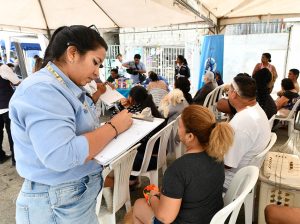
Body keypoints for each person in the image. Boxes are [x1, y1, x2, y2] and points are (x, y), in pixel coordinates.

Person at [9, 25, 132, 224]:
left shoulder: (64, 85)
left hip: (70, 196)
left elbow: (74, 120)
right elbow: (61, 155)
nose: (96, 72)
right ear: (72, 53)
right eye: (95, 62)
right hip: (57, 201)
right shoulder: (42, 90)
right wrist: (114, 127)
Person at [132, 105, 234, 224]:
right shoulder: (218, 156)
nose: (177, 130)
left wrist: (152, 197)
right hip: (211, 218)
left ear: (190, 136)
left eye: (179, 127)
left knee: (138, 205)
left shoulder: (178, 169)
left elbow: (165, 217)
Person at [223, 75, 271, 190]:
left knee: (187, 169)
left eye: (228, 90)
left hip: (229, 182)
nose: (228, 93)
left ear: (234, 93)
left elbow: (227, 164)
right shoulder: (256, 110)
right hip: (247, 176)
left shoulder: (240, 124)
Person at [0, 64, 21, 165]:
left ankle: (0, 156)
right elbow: (16, 81)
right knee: (12, 133)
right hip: (6, 105)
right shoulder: (3, 67)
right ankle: (15, 159)